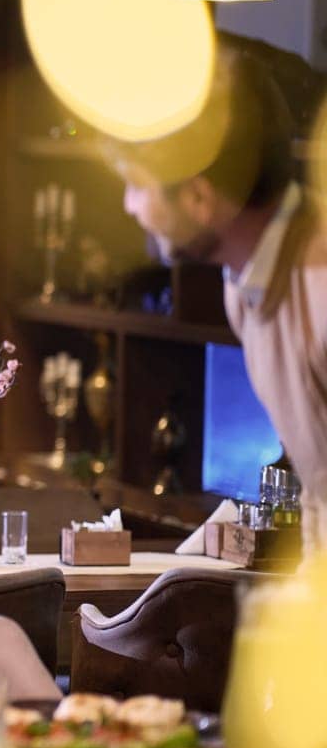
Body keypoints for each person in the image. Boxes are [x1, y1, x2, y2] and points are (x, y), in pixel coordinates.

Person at [113, 46, 327, 556]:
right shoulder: (243, 284)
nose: (129, 205)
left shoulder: (319, 286)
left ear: (199, 198)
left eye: (137, 185)